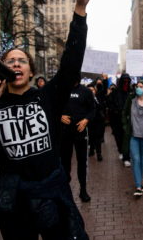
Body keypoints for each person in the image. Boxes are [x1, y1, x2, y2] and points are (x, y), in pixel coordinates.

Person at [0, 0, 92, 240]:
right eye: (10, 61)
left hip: (50, 191)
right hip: (13, 198)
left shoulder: (46, 96)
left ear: (30, 69)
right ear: (2, 69)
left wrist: (80, 10)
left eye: (21, 60)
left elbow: (71, 64)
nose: (16, 63)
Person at [60, 73, 95, 202]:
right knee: (64, 163)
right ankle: (65, 190)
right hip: (64, 133)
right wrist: (59, 116)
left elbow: (92, 109)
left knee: (82, 162)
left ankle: (83, 190)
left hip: (80, 132)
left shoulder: (85, 91)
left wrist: (86, 120)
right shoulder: (60, 90)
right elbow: (51, 107)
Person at [122, 80, 143, 197]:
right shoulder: (131, 100)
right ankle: (138, 185)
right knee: (135, 159)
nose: (138, 88)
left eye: (141, 86)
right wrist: (126, 126)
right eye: (137, 86)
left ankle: (140, 182)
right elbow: (124, 113)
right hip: (133, 135)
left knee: (142, 159)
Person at [107, 73, 132, 167]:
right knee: (118, 137)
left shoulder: (131, 92)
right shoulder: (115, 92)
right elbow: (109, 104)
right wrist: (115, 111)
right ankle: (121, 151)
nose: (126, 83)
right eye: (124, 81)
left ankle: (126, 156)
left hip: (127, 120)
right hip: (116, 120)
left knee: (126, 138)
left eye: (127, 81)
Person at [87, 83, 105, 161]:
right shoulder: (85, 98)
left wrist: (94, 99)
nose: (91, 91)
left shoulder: (98, 97)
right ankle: (91, 150)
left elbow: (101, 106)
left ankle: (99, 153)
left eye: (92, 90)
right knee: (91, 137)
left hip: (98, 120)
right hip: (89, 121)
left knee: (98, 137)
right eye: (89, 90)